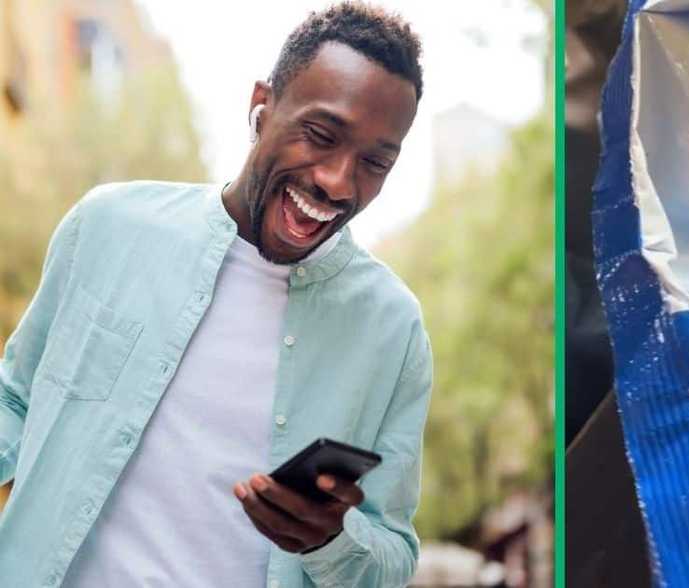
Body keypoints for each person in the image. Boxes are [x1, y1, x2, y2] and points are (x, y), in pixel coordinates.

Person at [0, 3, 431, 587]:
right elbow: (15, 402)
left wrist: (330, 540)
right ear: (262, 105)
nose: (338, 180)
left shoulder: (393, 329)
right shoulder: (107, 227)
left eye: (375, 162)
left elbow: (394, 557)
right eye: (321, 135)